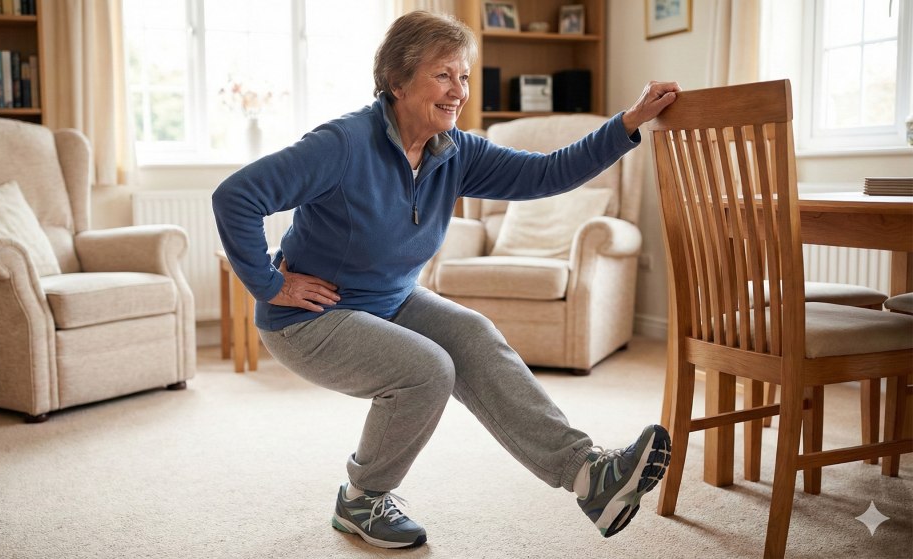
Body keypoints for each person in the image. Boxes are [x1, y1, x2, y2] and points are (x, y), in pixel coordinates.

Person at [213, 10, 680, 550]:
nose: (458, 90)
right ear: (397, 80)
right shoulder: (342, 144)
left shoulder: (455, 150)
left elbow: (546, 173)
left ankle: (589, 478)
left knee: (475, 336)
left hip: (388, 300)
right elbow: (236, 198)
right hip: (310, 318)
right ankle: (362, 499)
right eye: (443, 75)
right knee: (426, 369)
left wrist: (627, 122)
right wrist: (271, 284)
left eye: (463, 76)